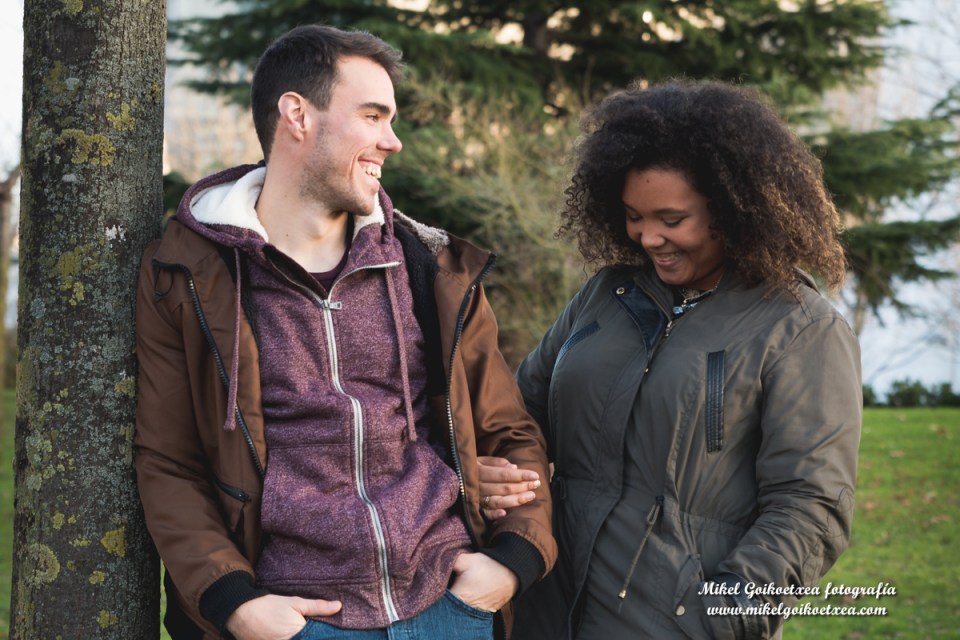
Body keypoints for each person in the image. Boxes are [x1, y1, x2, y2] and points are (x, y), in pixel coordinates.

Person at [134, 24, 556, 640]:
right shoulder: (190, 277)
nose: (394, 140)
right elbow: (169, 460)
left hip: (449, 607)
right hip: (291, 619)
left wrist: (511, 563)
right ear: (297, 114)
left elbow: (507, 432)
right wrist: (235, 604)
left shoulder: (431, 268)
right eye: (373, 115)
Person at [480, 79, 862, 639]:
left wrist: (717, 621)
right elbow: (518, 416)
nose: (648, 237)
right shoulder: (604, 294)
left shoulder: (801, 327)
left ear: (732, 210)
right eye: (634, 216)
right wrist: (495, 474)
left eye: (671, 219)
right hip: (544, 614)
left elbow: (810, 507)